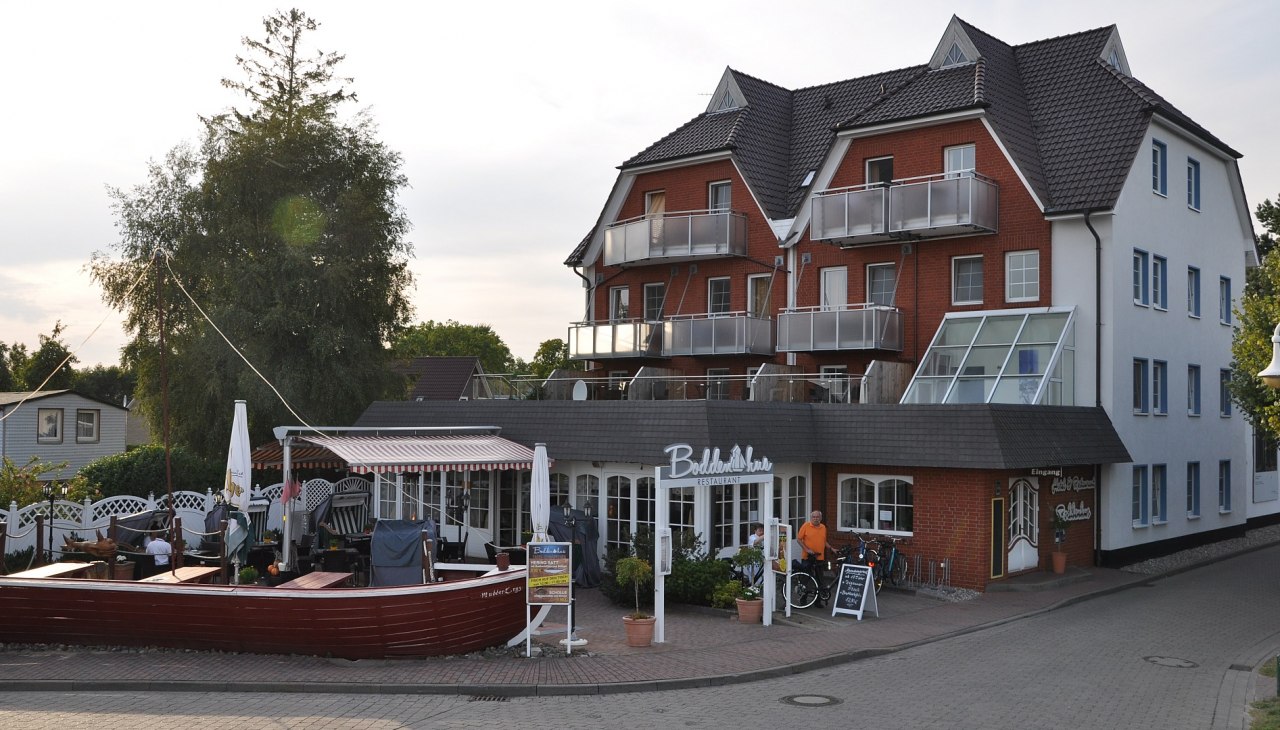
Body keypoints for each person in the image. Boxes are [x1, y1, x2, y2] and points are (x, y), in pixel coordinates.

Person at [797, 510, 836, 607]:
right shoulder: (806, 526)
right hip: (807, 557)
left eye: (817, 517)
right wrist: (807, 549)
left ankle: (818, 601)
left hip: (819, 557)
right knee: (806, 578)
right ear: (811, 518)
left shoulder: (823, 527)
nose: (815, 519)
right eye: (814, 517)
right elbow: (798, 539)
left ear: (820, 518)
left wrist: (831, 548)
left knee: (820, 579)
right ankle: (803, 599)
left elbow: (824, 541)